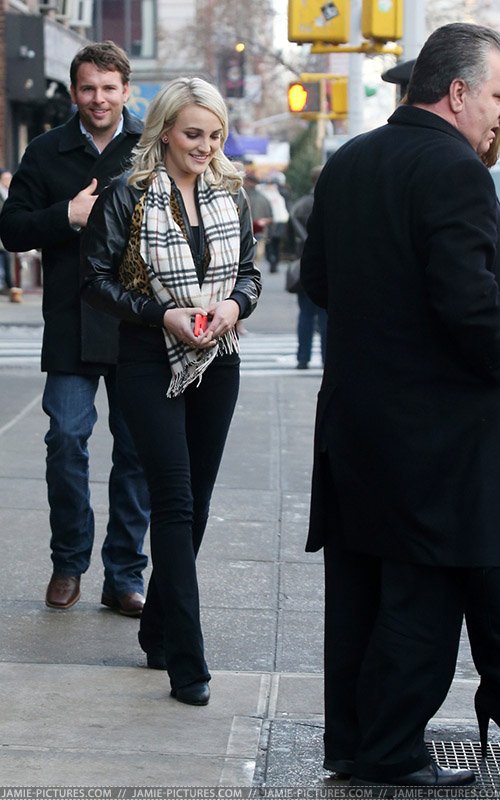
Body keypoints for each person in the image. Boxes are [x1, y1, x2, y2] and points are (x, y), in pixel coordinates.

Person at [301, 22, 500, 789]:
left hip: (354, 425)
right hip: (435, 437)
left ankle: (353, 744)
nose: (498, 113)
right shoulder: (456, 170)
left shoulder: (350, 161)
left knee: (358, 593)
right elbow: (471, 311)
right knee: (421, 595)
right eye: (495, 95)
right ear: (458, 91)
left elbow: (318, 283)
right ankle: (389, 751)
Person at [80, 76, 261, 705]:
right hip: (148, 358)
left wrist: (234, 307)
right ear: (163, 132)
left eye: (214, 135)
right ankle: (188, 660)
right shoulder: (127, 194)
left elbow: (249, 274)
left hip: (217, 358)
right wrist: (162, 315)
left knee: (198, 504)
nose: (205, 146)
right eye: (193, 134)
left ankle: (157, 629)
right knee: (175, 501)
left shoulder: (230, 193)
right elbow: (94, 280)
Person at [0, 42, 150, 616]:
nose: (99, 99)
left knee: (136, 452)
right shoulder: (46, 150)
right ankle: (68, 562)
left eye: (109, 88)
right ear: (73, 92)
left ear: (126, 91)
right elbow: (11, 229)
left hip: (138, 320)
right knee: (65, 441)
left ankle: (124, 575)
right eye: (88, 88)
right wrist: (66, 215)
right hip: (70, 319)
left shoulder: (152, 145)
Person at [289, 165, 327, 369]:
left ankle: (302, 358)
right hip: (326, 265)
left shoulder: (300, 205)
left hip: (303, 263)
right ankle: (327, 358)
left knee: (305, 313)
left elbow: (290, 235)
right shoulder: (330, 201)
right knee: (325, 315)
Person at [258, 175, 289, 273]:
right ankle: (272, 261)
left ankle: (274, 261)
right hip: (271, 221)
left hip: (278, 221)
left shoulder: (280, 193)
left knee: (274, 243)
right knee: (270, 243)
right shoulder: (265, 194)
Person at [0, 170, 13, 293]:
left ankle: (9, 286)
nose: (9, 181)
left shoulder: (9, 193)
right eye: (6, 178)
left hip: (6, 233)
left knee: (5, 260)